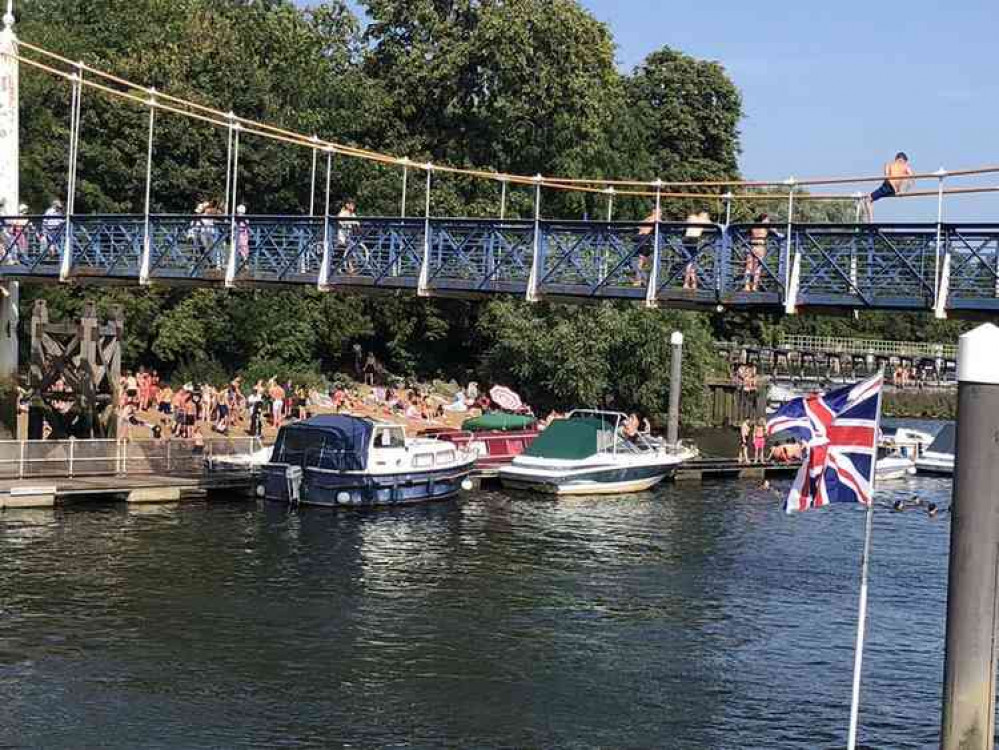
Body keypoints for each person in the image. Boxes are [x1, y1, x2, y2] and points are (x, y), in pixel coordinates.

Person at [865, 153, 914, 220]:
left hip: (888, 186)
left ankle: (870, 222)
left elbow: (887, 176)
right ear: (902, 159)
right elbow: (912, 177)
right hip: (895, 189)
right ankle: (900, 191)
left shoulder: (889, 164)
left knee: (868, 199)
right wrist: (903, 189)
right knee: (871, 197)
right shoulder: (906, 166)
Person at [745, 213, 773, 292]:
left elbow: (746, 232)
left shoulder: (753, 226)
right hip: (760, 247)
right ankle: (753, 286)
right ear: (763, 219)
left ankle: (747, 286)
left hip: (752, 246)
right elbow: (775, 232)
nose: (768, 221)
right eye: (767, 220)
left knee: (749, 267)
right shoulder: (766, 227)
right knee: (757, 268)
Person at [682, 210, 710, 290]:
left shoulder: (692, 218)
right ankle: (687, 283)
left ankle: (693, 283)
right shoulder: (698, 219)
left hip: (691, 240)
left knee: (691, 263)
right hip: (690, 240)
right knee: (690, 263)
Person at [634, 206, 661, 284]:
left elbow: (639, 226)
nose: (661, 214)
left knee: (642, 259)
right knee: (644, 260)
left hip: (638, 237)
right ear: (656, 212)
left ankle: (640, 279)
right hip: (644, 238)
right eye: (660, 212)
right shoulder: (656, 218)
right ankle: (640, 279)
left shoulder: (647, 218)